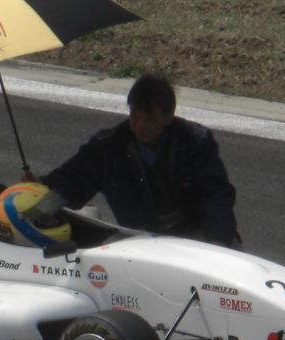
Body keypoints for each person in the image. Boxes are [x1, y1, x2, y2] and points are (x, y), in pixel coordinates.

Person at [24, 73, 240, 247]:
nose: (139, 126)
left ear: (168, 117)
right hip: (140, 242)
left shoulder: (196, 142)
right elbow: (72, 182)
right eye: (135, 116)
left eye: (149, 119)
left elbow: (216, 197)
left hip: (194, 239)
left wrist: (218, 244)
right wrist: (38, 193)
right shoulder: (108, 146)